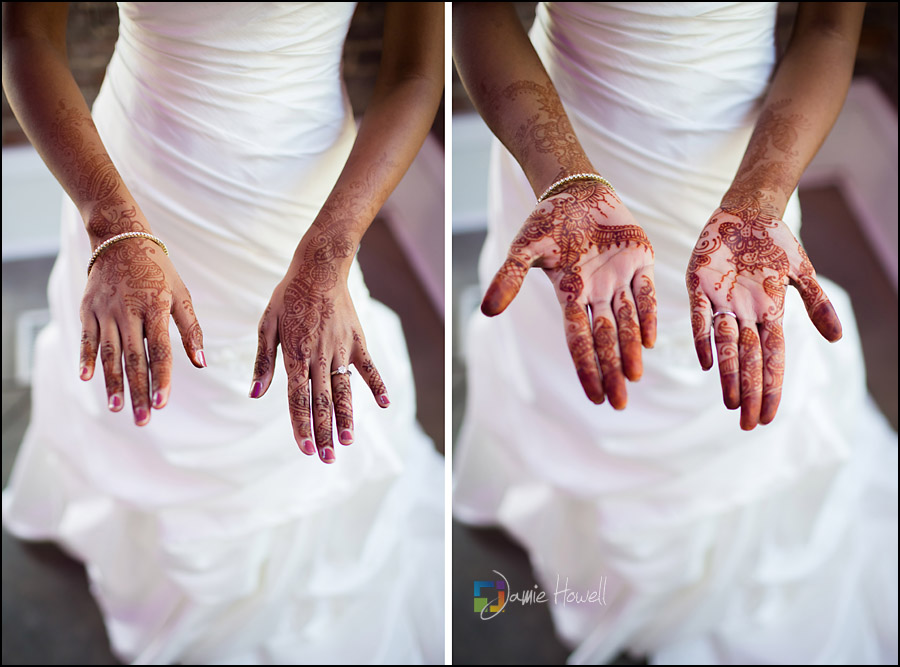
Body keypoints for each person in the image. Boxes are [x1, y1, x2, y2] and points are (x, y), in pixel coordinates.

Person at [454, 2, 897, 664]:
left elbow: (830, 26)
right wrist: (564, 179)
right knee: (569, 370)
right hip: (562, 150)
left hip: (741, 168)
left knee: (716, 397)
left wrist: (761, 196)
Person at [2, 2, 444, 663]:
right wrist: (111, 223)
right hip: (130, 185)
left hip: (302, 213)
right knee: (140, 413)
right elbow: (25, 36)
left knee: (277, 431)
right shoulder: (115, 214)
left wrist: (330, 251)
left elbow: (415, 72)